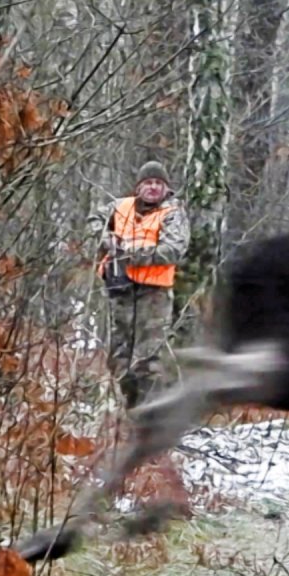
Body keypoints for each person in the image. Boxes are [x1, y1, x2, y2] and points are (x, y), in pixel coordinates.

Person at [97, 160, 190, 408]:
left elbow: (173, 250)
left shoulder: (173, 213)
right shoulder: (120, 207)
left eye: (159, 183)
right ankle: (122, 408)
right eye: (148, 183)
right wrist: (107, 240)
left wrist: (132, 253)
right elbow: (93, 222)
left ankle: (153, 412)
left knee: (149, 356)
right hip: (121, 289)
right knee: (119, 353)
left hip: (154, 294)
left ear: (166, 188)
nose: (153, 188)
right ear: (138, 187)